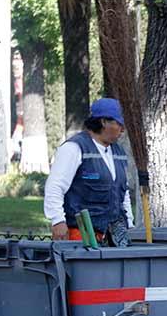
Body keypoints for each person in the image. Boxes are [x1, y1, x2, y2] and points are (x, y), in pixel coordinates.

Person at [44, 98, 134, 246]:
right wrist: (57, 221)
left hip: (114, 237)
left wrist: (129, 223)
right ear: (104, 122)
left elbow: (123, 194)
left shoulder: (118, 151)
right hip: (81, 236)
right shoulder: (74, 148)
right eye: (119, 123)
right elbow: (55, 186)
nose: (123, 129)